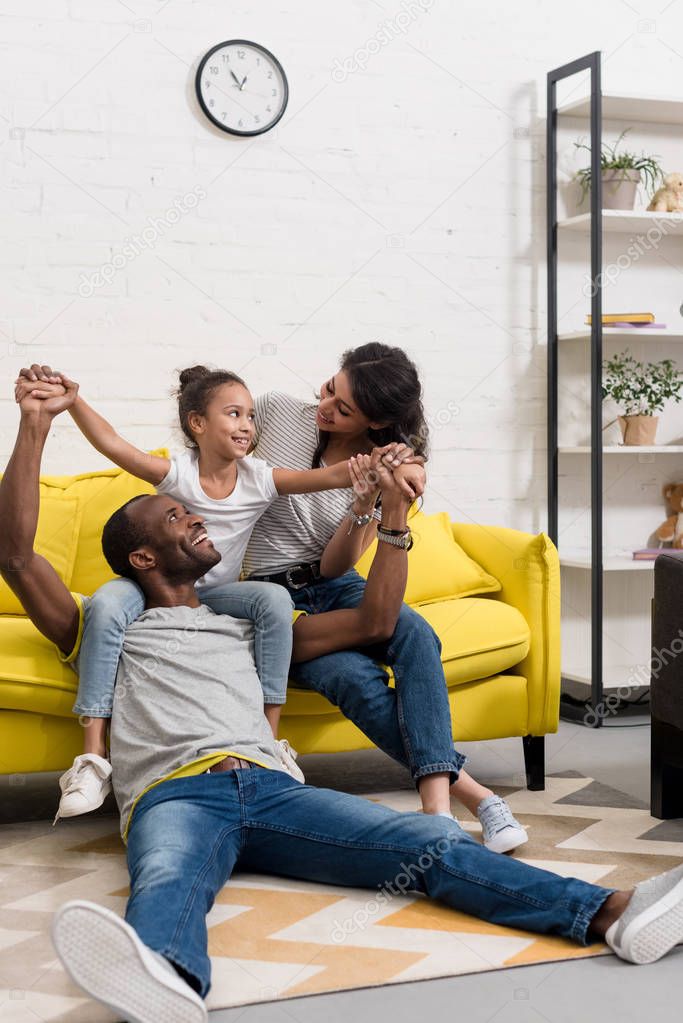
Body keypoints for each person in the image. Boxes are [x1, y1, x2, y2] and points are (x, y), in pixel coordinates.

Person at [3, 384, 683, 1023]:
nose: (198, 515)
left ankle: (612, 913)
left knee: (430, 845)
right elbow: (16, 554)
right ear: (144, 558)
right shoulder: (102, 623)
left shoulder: (254, 621)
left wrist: (391, 515)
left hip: (271, 787)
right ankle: (165, 980)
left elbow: (374, 620)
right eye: (179, 515)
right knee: (167, 876)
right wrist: (35, 424)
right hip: (173, 794)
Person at [17, 359, 523, 854]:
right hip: (220, 586)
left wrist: (393, 474)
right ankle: (93, 755)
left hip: (289, 586)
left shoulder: (261, 477)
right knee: (114, 606)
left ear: (375, 421)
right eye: (327, 389)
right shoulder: (227, 446)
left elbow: (336, 528)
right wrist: (74, 400)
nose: (323, 407)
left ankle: (429, 801)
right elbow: (120, 444)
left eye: (342, 408)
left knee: (400, 632)